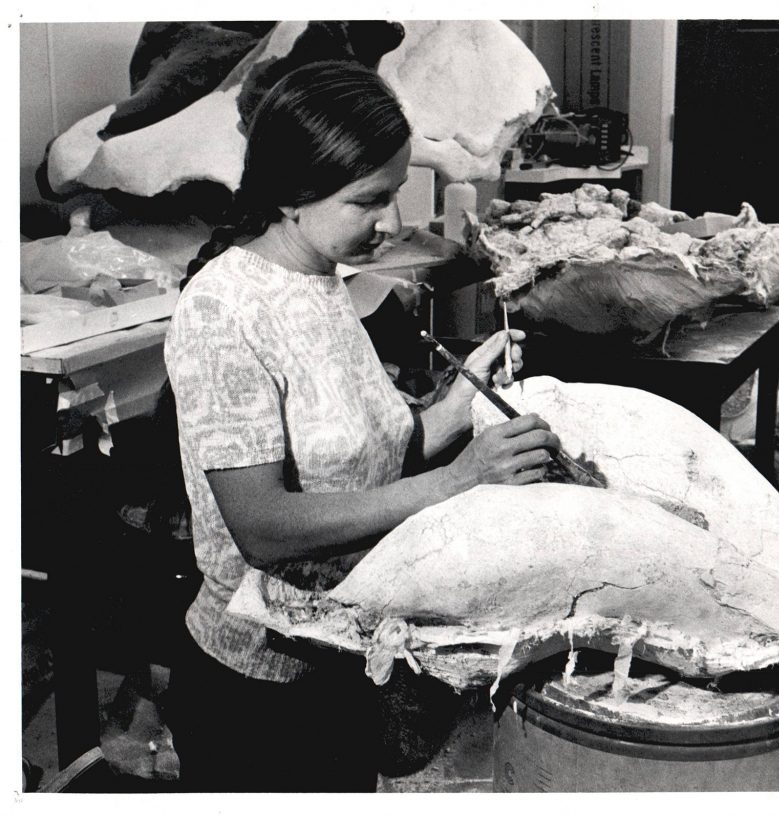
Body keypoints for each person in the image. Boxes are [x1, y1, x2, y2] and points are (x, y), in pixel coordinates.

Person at [163, 59, 559, 793]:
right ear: (292, 195)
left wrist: (460, 405)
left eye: (394, 193)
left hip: (341, 657)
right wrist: (457, 481)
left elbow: (369, 454)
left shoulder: (320, 278)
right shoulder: (223, 308)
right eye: (368, 201)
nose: (392, 223)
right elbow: (262, 527)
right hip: (256, 689)